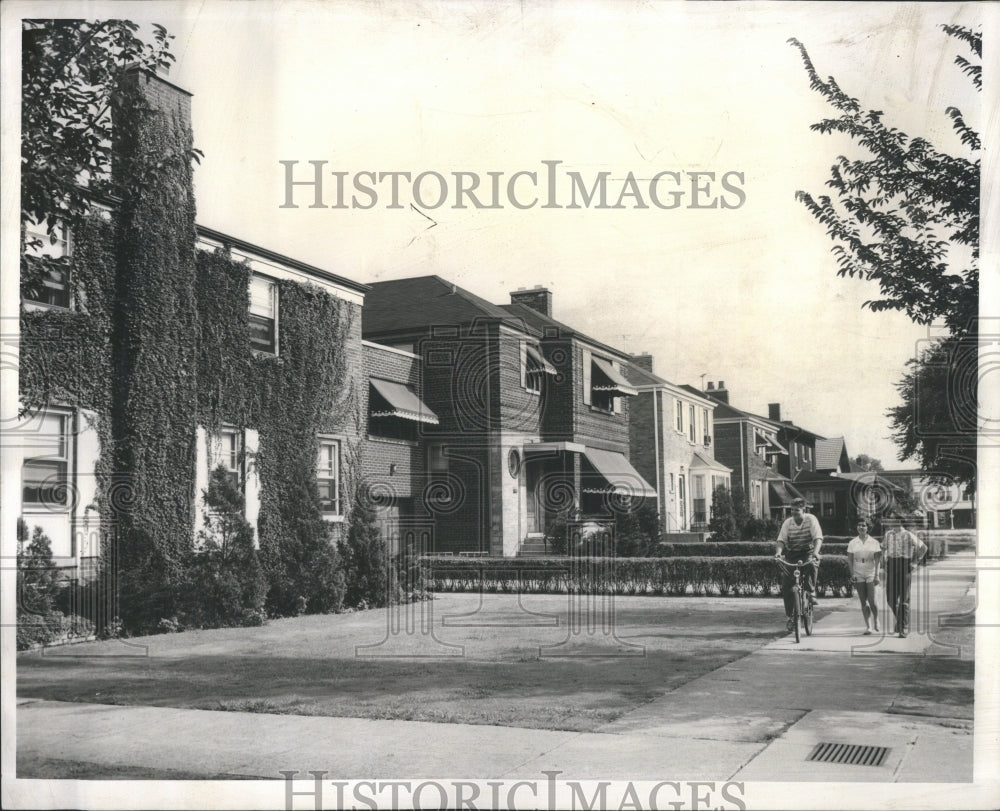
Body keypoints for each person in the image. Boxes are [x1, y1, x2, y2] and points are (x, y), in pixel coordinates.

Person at [775, 497, 823, 633]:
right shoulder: (787, 523)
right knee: (787, 586)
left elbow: (817, 538)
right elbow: (781, 540)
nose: (794, 513)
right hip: (792, 554)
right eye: (792, 510)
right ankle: (791, 617)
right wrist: (778, 553)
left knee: (813, 564)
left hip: (808, 551)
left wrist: (815, 553)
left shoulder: (811, 519)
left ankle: (811, 592)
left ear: (804, 510)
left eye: (797, 510)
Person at [882, 517, 927, 638]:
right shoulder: (888, 534)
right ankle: (900, 620)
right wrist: (884, 561)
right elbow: (883, 548)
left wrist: (914, 562)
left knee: (904, 598)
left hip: (904, 564)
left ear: (900, 522)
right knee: (890, 598)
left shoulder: (908, 534)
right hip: (891, 565)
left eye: (894, 521)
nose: (891, 522)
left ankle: (903, 628)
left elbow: (923, 547)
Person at [846, 518, 882, 634]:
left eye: (864, 525)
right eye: (859, 525)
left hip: (870, 571)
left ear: (868, 528)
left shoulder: (874, 542)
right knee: (863, 601)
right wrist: (852, 574)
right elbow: (850, 560)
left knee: (872, 601)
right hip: (858, 571)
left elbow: (877, 559)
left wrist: (877, 575)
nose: (861, 527)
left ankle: (876, 620)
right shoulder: (852, 543)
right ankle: (868, 626)